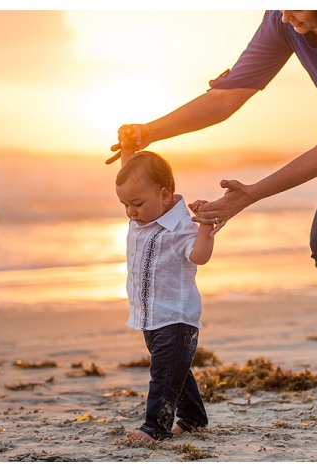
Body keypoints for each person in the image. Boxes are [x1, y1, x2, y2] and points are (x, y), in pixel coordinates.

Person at [109, 10, 317, 414]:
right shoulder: (286, 20)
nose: (285, 13)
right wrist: (148, 131)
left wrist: (250, 194)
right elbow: (226, 97)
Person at [115, 142, 215, 441]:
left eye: (137, 204)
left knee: (163, 376)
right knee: (176, 373)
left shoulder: (182, 226)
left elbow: (199, 256)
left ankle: (155, 426)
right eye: (125, 206)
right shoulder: (144, 215)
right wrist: (128, 146)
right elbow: (133, 173)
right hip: (149, 316)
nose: (131, 212)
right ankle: (194, 417)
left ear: (164, 194)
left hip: (176, 317)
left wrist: (206, 225)